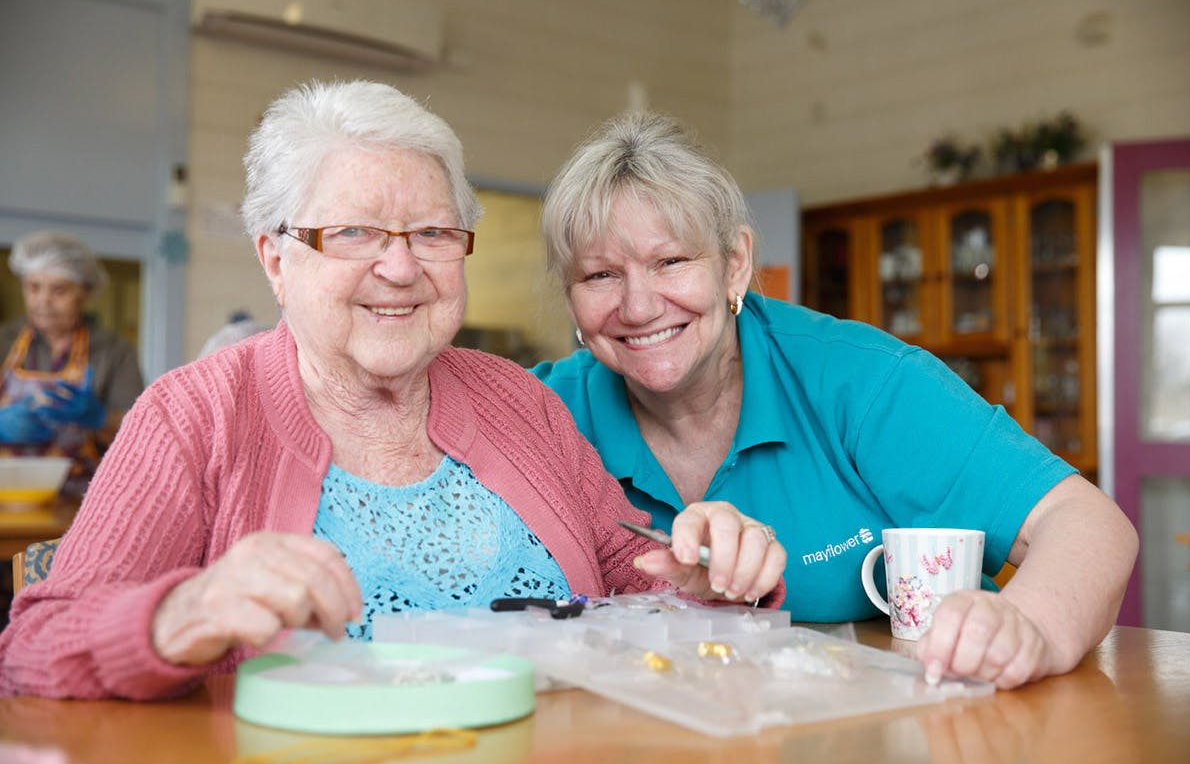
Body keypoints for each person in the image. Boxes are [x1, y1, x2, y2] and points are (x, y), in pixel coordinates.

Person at [0, 82, 785, 700]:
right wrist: (181, 613)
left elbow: (631, 571)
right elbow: (34, 650)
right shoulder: (192, 415)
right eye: (354, 233)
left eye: (434, 234)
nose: (402, 268)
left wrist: (705, 575)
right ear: (276, 258)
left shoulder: (518, 399)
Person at [532, 111, 1138, 690]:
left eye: (670, 261)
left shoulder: (855, 380)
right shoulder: (536, 414)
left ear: (735, 265)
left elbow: (1088, 525)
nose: (638, 306)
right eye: (600, 276)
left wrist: (1028, 626)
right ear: (570, 297)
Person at [0, 231, 144, 496]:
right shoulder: (4, 340)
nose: (43, 300)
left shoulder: (113, 351)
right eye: (33, 287)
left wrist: (100, 419)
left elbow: (142, 437)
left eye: (59, 290)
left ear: (85, 294)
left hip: (82, 500)